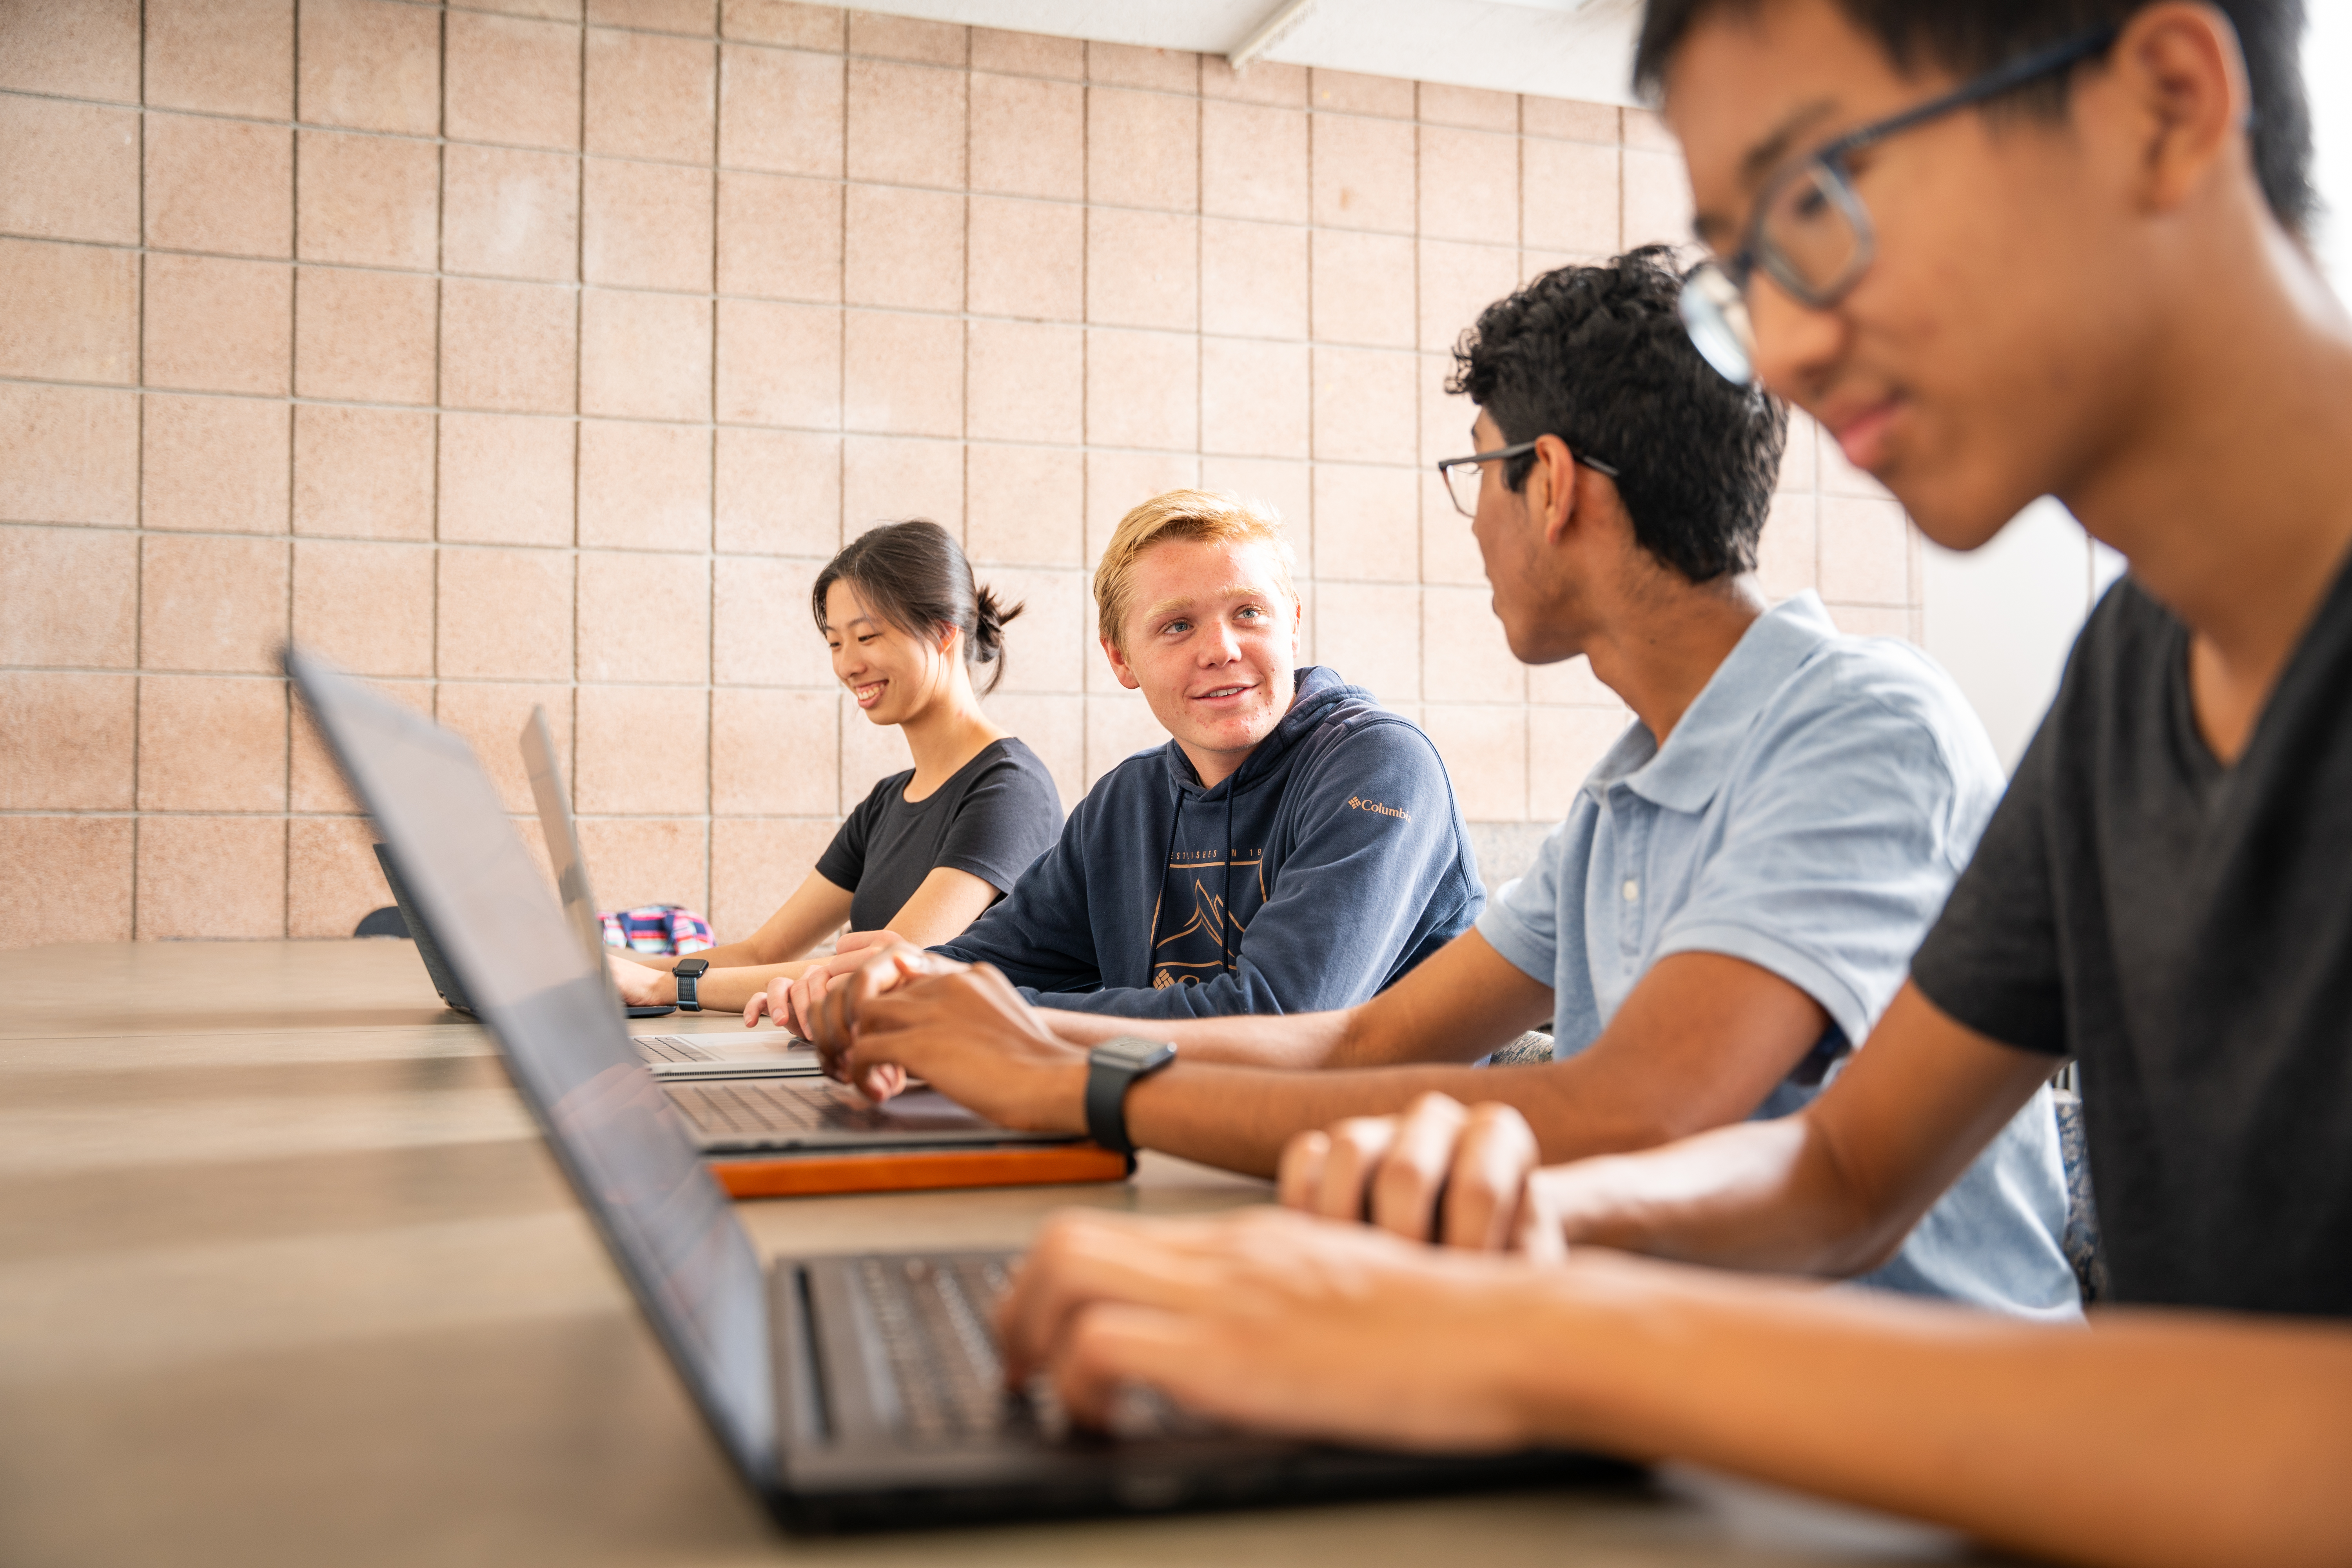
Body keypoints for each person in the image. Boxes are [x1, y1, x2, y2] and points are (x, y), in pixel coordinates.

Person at [955, 2, 2352, 1563]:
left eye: (1821, 198)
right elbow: (1842, 1167)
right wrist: (1490, 1221)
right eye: (1753, 270)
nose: (1799, 353)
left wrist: (1524, 1326)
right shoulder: (2135, 673)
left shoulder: (1876, 717)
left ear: (2162, 105)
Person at [798, 252, 2076, 1318]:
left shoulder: (1861, 727)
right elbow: (1364, 1040)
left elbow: (1627, 1114)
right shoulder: (1625, 793)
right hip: (1666, 1365)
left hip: (1904, 1423)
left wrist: (1076, 1082)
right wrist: (984, 1024)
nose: (1472, 526)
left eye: (1477, 474)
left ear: (1554, 483)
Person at [773, 489, 1485, 1029]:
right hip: (1187, 1144)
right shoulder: (1126, 802)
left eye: (1249, 613)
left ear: (1293, 622)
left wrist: (968, 1006)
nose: (1222, 649)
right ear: (1121, 659)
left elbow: (1278, 1015)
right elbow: (988, 960)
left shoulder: (1381, 767)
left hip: (1387, 1178)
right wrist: (886, 976)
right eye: (1177, 625)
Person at [608, 520, 1062, 1016]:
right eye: (834, 643)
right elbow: (763, 952)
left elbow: (885, 969)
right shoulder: (886, 803)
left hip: (957, 1082)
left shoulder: (1010, 790)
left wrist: (665, 988)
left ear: (944, 634)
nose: (847, 665)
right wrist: (603, 964)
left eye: (866, 636)